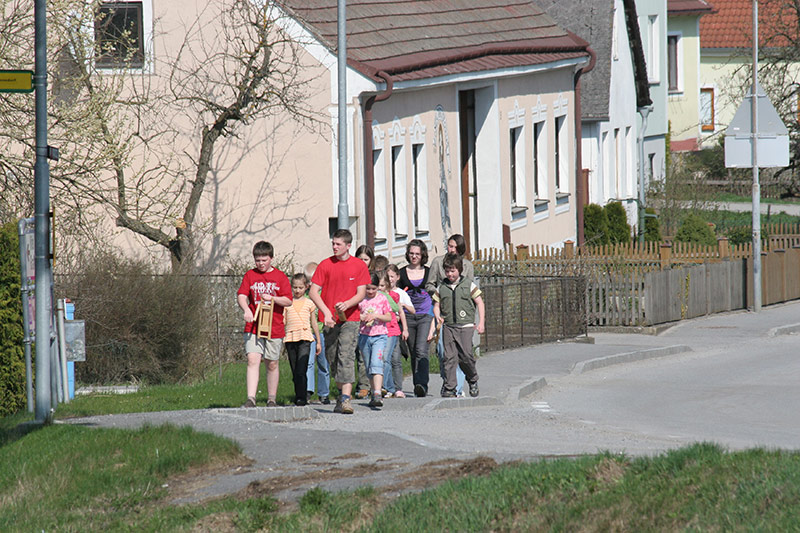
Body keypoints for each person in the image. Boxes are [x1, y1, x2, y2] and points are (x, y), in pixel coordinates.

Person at [309, 229, 371, 415]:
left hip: (350, 319)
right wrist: (326, 312)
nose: (334, 247)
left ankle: (345, 399)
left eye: (338, 244)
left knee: (346, 356)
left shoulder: (359, 265)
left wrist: (347, 304)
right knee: (333, 358)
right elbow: (313, 292)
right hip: (329, 321)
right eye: (333, 244)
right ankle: (340, 393)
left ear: (348, 246)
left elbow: (361, 293)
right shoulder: (325, 265)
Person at [237, 241, 292, 408]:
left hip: (274, 326)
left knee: (272, 362)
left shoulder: (280, 277)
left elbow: (288, 300)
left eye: (264, 260)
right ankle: (251, 398)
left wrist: (272, 298)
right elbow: (241, 295)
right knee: (253, 360)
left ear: (271, 259)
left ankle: (271, 399)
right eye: (258, 260)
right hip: (253, 326)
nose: (260, 263)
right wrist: (246, 309)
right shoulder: (250, 275)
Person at [427, 252, 485, 397]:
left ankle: (472, 379)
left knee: (466, 355)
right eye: (447, 271)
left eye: (452, 270)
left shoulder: (468, 285)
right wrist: (437, 315)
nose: (450, 274)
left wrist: (481, 323)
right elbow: (436, 305)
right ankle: (450, 387)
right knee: (449, 357)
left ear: (459, 270)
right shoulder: (442, 287)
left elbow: (480, 303)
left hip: (465, 326)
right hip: (449, 326)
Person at [397, 239, 434, 397]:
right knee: (413, 351)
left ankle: (422, 383)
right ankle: (416, 384)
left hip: (425, 314)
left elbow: (436, 293)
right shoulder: (402, 273)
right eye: (411, 253)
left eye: (417, 254)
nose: (414, 256)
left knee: (421, 349)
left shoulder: (429, 271)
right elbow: (395, 294)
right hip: (408, 316)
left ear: (422, 255)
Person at [284, 273, 322, 406]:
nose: (297, 290)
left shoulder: (309, 303)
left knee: (302, 369)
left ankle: (303, 396)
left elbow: (314, 323)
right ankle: (298, 394)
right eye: (295, 287)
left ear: (306, 287)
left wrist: (318, 341)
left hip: (305, 338)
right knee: (295, 371)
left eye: (300, 287)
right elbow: (283, 321)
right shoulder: (287, 302)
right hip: (290, 338)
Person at [357, 271, 392, 408]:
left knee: (376, 363)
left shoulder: (382, 298)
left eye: (373, 288)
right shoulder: (361, 299)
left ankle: (378, 392)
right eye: (368, 288)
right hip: (364, 335)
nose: (371, 291)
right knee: (369, 367)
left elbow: (388, 317)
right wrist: (362, 317)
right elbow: (355, 316)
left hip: (379, 335)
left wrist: (376, 316)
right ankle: (373, 392)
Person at [304, 262, 331, 404]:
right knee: (309, 363)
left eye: (312, 281)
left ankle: (324, 393)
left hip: (322, 331)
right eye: (308, 281)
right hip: (309, 332)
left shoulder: (324, 295)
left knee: (324, 363)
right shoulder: (306, 296)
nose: (310, 284)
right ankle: (308, 391)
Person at [378, 270, 408, 397]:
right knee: (384, 359)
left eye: (382, 286)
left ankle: (392, 387)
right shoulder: (375, 297)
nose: (380, 289)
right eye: (378, 286)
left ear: (388, 286)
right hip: (381, 330)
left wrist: (405, 329)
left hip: (392, 330)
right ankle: (389, 387)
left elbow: (399, 311)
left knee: (391, 359)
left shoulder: (392, 296)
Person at [353, 244, 375, 399]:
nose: (362, 262)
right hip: (357, 318)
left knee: (374, 355)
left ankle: (376, 385)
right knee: (360, 354)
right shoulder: (352, 275)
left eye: (365, 259)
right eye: (360, 259)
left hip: (374, 320)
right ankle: (363, 385)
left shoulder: (373, 277)